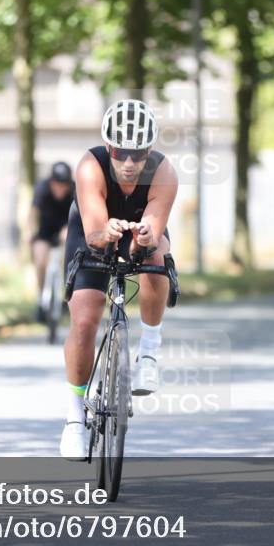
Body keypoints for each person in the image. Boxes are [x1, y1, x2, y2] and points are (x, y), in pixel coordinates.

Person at [59, 99, 178, 460]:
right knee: (85, 317)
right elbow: (94, 232)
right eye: (121, 152)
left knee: (156, 258)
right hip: (93, 233)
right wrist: (105, 231)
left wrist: (144, 238)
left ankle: (149, 354)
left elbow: (154, 232)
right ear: (108, 147)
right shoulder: (90, 166)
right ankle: (75, 417)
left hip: (139, 229)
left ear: (150, 150)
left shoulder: (164, 172)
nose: (129, 163)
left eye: (138, 154)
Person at [30, 161, 75, 321]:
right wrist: (32, 235)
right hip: (45, 231)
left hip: (65, 229)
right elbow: (33, 215)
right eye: (57, 184)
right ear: (51, 182)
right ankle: (40, 298)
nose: (60, 189)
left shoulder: (75, 191)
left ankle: (64, 293)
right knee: (40, 259)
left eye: (64, 185)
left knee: (67, 258)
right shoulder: (41, 189)